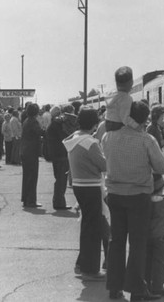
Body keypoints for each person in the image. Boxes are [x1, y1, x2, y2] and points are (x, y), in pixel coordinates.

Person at [102, 100, 164, 301]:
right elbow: (161, 168)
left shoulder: (108, 137)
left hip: (115, 195)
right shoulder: (147, 140)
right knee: (138, 243)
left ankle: (114, 288)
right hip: (139, 197)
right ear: (145, 119)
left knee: (116, 241)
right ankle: (137, 290)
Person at [63, 108, 107, 280]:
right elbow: (104, 166)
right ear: (94, 124)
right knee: (94, 229)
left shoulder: (73, 138)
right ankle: (91, 269)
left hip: (79, 185)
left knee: (87, 226)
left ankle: (82, 264)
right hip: (91, 186)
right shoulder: (90, 142)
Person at [46, 105, 71, 210]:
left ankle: (58, 202)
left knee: (59, 178)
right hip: (60, 154)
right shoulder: (57, 125)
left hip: (55, 154)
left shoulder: (51, 124)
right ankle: (59, 202)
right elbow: (64, 137)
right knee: (61, 179)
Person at [20, 103, 43, 207]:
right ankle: (31, 200)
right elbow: (40, 132)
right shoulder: (33, 121)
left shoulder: (26, 120)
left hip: (26, 151)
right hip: (31, 151)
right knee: (32, 177)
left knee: (27, 176)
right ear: (36, 112)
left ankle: (26, 199)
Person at [105, 66, 140, 132]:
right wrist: (137, 126)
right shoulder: (126, 98)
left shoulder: (111, 94)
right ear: (131, 83)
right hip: (118, 126)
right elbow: (125, 118)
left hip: (108, 124)